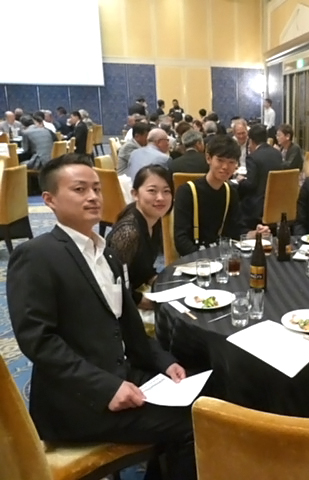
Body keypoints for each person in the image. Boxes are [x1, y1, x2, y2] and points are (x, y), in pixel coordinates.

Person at [7, 154, 197, 480]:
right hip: (79, 399)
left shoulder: (107, 252)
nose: (93, 197)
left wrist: (164, 362)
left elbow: (127, 326)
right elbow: (38, 341)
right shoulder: (37, 255)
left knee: (200, 393)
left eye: (96, 188)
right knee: (195, 423)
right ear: (49, 200)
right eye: (79, 189)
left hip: (121, 372)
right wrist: (107, 387)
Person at [107, 165, 173, 310]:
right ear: (135, 194)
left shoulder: (154, 220)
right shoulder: (128, 232)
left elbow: (142, 268)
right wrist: (150, 303)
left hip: (136, 291)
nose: (160, 198)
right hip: (120, 305)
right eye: (152, 191)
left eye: (166, 191)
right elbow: (112, 283)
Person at [173, 135, 244, 255]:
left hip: (220, 255)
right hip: (195, 257)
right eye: (220, 160)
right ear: (208, 158)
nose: (225, 167)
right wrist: (205, 259)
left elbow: (236, 230)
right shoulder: (187, 191)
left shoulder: (230, 192)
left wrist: (253, 234)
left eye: (231, 162)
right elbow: (181, 240)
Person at [237, 124, 283, 230]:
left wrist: (241, 181)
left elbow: (251, 185)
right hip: (276, 202)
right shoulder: (277, 154)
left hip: (258, 206)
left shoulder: (253, 157)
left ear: (251, 140)